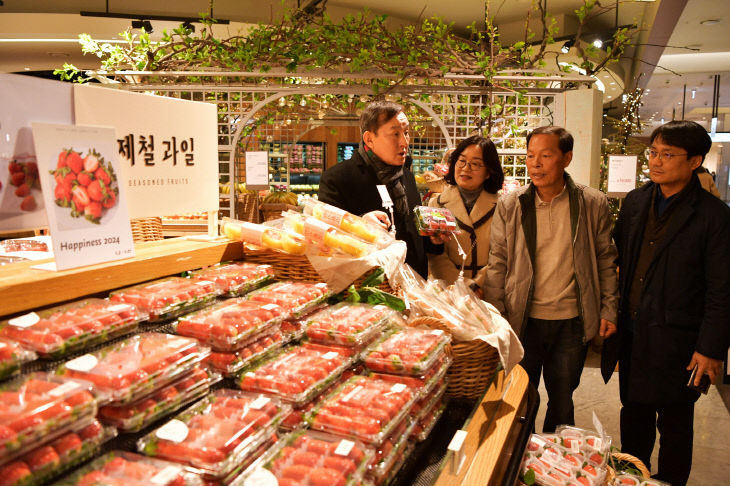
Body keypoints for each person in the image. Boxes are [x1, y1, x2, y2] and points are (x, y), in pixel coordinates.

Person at [602, 120, 730, 486]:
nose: (656, 162)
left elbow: (722, 290)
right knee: (634, 413)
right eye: (653, 153)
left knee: (675, 423)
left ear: (694, 161)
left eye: (667, 155)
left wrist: (710, 349)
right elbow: (619, 258)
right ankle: (632, 478)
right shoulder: (637, 201)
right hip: (632, 331)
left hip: (680, 339)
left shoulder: (714, 217)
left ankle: (671, 481)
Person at [484, 126, 618, 432]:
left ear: (566, 158)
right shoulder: (511, 203)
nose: (536, 164)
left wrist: (609, 308)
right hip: (523, 320)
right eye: (531, 156)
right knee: (519, 399)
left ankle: (556, 467)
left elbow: (605, 259)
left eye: (546, 155)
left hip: (571, 320)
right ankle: (520, 466)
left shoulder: (591, 202)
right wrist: (494, 314)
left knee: (562, 400)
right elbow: (498, 261)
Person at [318, 101, 433, 277]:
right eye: (395, 134)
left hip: (414, 287)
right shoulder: (338, 179)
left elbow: (414, 238)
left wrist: (433, 238)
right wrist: (360, 224)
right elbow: (325, 240)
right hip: (367, 289)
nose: (404, 142)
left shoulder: (407, 177)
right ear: (369, 139)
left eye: (406, 133)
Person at [427, 135, 504, 292]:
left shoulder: (502, 206)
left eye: (475, 164)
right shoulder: (437, 204)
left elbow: (502, 254)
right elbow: (436, 256)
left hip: (490, 290)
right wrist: (462, 287)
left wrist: (478, 285)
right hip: (450, 291)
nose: (465, 168)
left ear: (488, 172)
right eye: (461, 161)